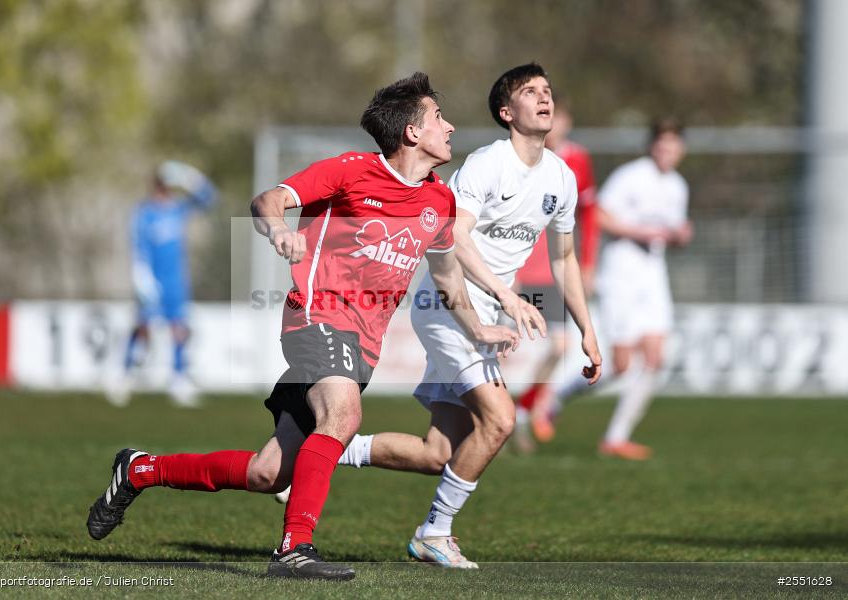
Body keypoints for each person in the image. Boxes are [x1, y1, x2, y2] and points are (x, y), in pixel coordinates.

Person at [85, 72, 519, 581]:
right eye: (438, 117)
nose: (450, 126)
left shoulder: (438, 201)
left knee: (268, 472)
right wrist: (281, 233)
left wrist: (480, 328)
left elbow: (447, 275)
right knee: (344, 414)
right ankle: (295, 548)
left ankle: (139, 469)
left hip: (365, 344)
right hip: (316, 317)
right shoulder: (349, 171)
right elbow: (266, 202)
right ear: (411, 133)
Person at [290, 64, 602, 568]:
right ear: (507, 112)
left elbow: (564, 259)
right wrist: (508, 295)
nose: (544, 98)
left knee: (439, 451)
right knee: (501, 419)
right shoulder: (487, 165)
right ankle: (434, 532)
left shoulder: (561, 179)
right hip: (446, 304)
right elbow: (451, 238)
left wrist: (589, 331)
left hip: (486, 307)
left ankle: (323, 452)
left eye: (547, 91)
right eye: (530, 92)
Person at [592, 118, 692, 460]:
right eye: (662, 145)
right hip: (620, 273)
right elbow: (599, 216)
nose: (667, 152)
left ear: (681, 150)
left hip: (653, 276)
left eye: (673, 146)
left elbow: (671, 231)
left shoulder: (678, 186)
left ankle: (616, 437)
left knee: (654, 359)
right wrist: (638, 232)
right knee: (620, 366)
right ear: (652, 146)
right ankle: (554, 401)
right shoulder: (630, 176)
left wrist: (681, 236)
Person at [512, 94, 599, 450]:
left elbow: (590, 215)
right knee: (508, 348)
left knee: (560, 345)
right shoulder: (526, 157)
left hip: (556, 269)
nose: (554, 123)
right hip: (523, 267)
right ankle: (492, 414)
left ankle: (522, 409)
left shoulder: (577, 159)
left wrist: (589, 263)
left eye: (559, 116)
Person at [106, 161, 218, 408]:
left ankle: (178, 378)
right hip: (151, 279)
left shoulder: (177, 210)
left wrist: (189, 177)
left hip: (175, 280)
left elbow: (210, 198)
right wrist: (141, 276)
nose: (167, 190)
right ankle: (124, 374)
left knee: (178, 328)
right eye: (164, 185)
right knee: (143, 327)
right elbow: (138, 246)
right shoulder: (144, 213)